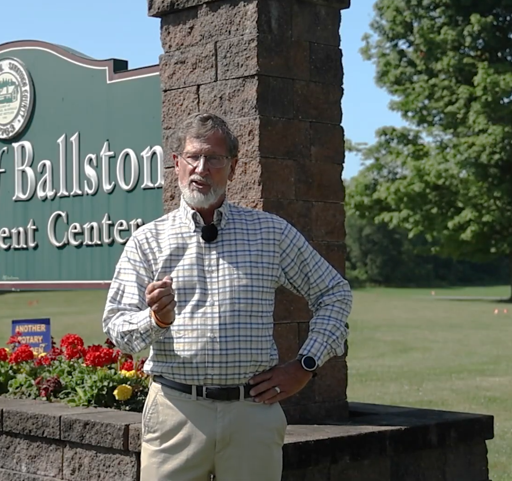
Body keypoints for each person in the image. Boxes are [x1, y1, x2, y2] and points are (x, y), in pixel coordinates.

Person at [102, 113, 353, 480]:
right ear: (177, 164)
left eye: (215, 158)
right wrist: (155, 320)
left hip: (251, 413)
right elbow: (117, 328)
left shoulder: (270, 233)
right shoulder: (148, 241)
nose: (202, 168)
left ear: (233, 168)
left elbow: (334, 293)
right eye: (193, 157)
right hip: (176, 412)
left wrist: (306, 364)